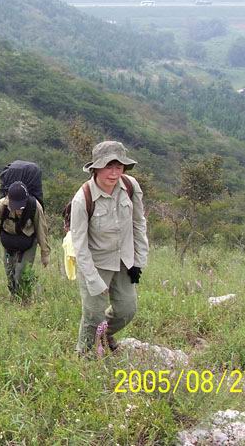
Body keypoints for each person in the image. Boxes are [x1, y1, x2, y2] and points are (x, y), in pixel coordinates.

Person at [70, 141, 149, 355]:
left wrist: (139, 261)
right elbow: (79, 245)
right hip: (95, 263)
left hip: (124, 260)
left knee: (127, 309)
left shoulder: (130, 186)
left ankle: (104, 335)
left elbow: (139, 223)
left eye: (119, 167)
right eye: (108, 167)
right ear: (96, 168)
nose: (114, 173)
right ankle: (84, 355)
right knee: (94, 314)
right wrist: (93, 279)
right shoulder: (83, 199)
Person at [0, 181, 50, 296]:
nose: (19, 210)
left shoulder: (35, 206)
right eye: (15, 207)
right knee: (10, 273)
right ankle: (14, 297)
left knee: (21, 274)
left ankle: (24, 298)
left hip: (27, 244)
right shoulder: (3, 204)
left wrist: (45, 254)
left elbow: (42, 230)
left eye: (21, 207)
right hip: (8, 244)